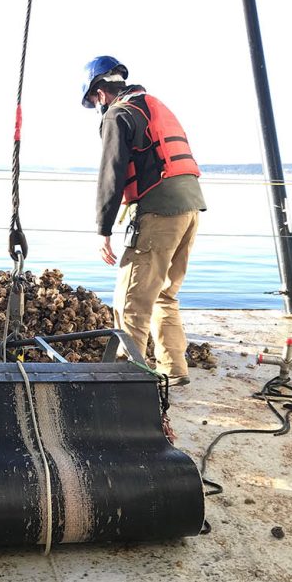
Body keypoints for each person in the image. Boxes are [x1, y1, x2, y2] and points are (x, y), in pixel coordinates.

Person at [82, 55, 206, 386]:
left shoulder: (118, 113)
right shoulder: (151, 105)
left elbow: (112, 173)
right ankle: (174, 369)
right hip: (190, 209)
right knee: (165, 293)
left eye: (94, 100)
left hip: (160, 212)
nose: (97, 106)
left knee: (131, 297)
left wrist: (102, 230)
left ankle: (128, 378)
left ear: (99, 93)